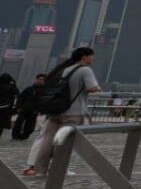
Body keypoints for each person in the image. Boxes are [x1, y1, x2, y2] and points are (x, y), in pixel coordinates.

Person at [26, 47, 101, 177]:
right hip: (74, 112)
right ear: (84, 56)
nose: (93, 58)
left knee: (47, 142)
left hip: (57, 110)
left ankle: (40, 170)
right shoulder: (85, 70)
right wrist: (98, 88)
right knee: (65, 142)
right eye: (91, 56)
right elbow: (92, 88)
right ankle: (59, 169)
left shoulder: (67, 69)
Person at [12, 73, 45, 140]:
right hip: (24, 109)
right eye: (39, 79)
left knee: (30, 126)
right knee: (19, 123)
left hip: (34, 111)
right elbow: (21, 98)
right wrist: (18, 107)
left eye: (42, 80)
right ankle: (15, 136)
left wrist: (41, 109)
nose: (40, 81)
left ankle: (24, 136)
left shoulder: (44, 91)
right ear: (36, 79)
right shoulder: (29, 89)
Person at [0, 73, 19, 139]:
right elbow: (17, 92)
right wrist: (13, 83)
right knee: (1, 124)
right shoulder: (10, 87)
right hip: (5, 107)